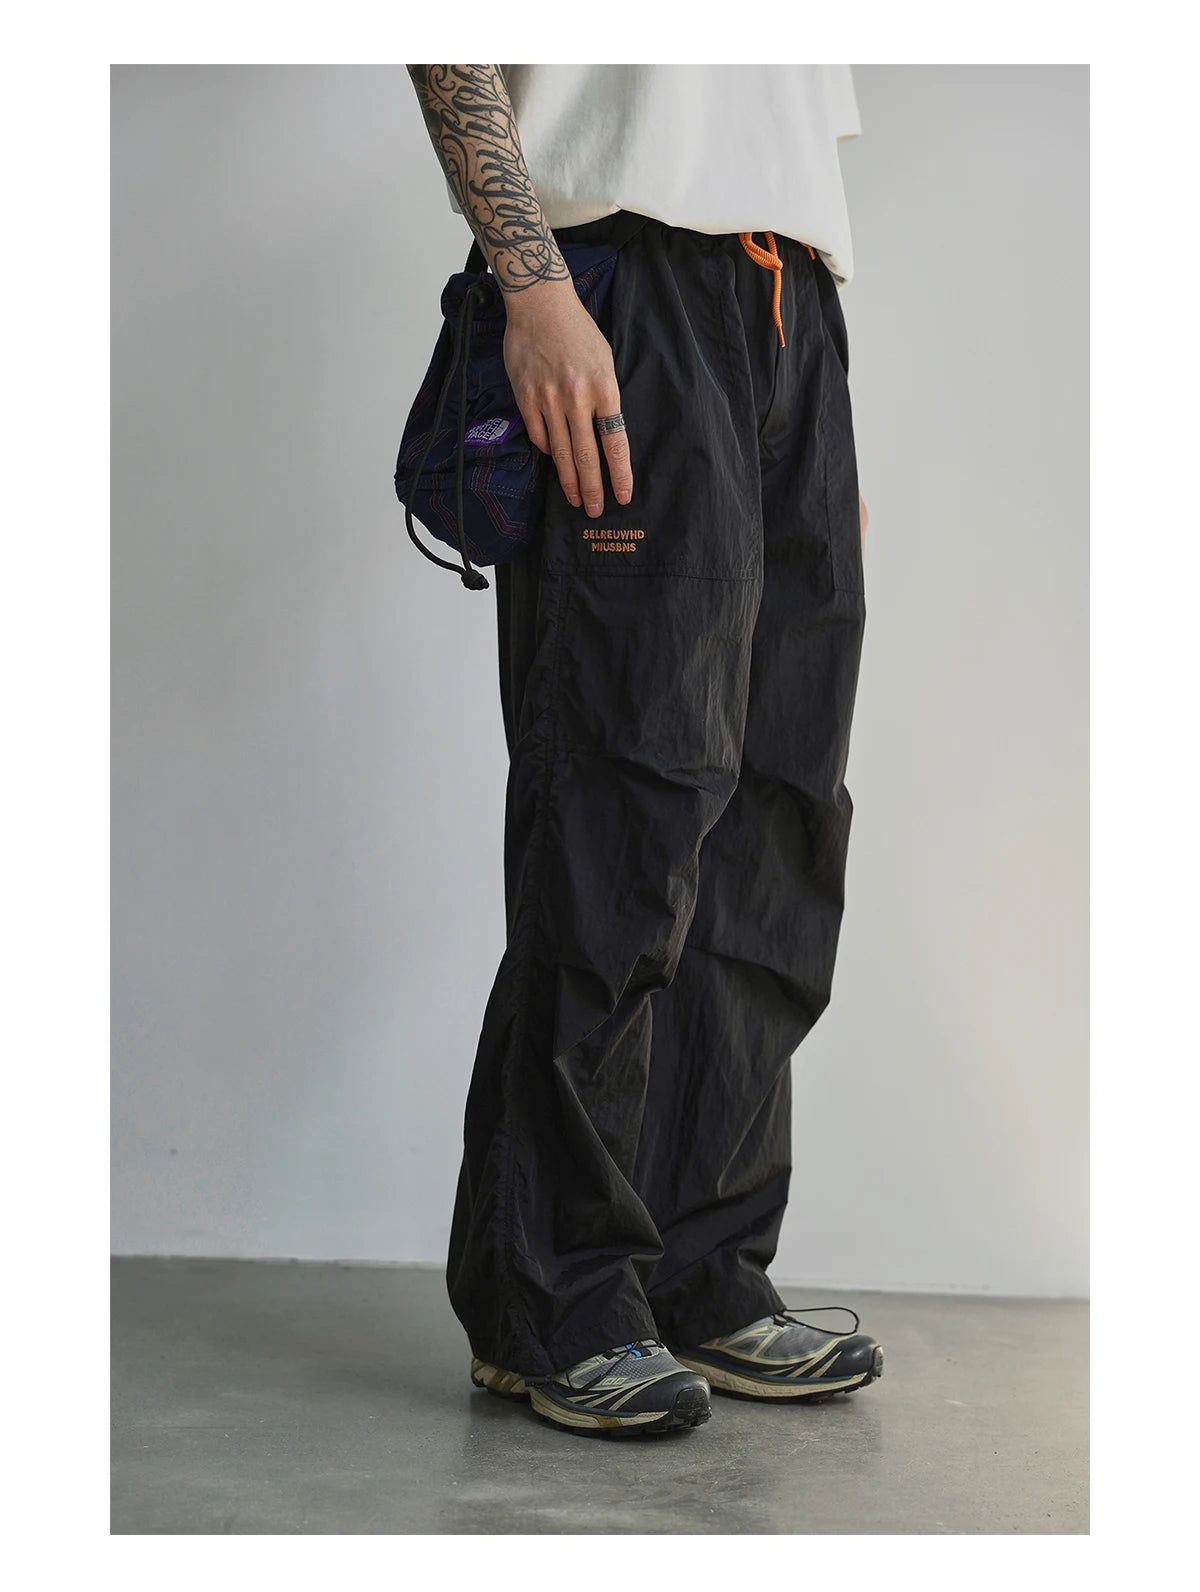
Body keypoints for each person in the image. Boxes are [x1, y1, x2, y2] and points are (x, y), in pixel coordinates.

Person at [406, 63, 882, 1437]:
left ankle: (702, 1273)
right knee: (624, 801)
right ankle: (554, 1303)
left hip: (791, 305)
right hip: (624, 291)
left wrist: (800, 391)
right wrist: (535, 289)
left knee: (778, 812)